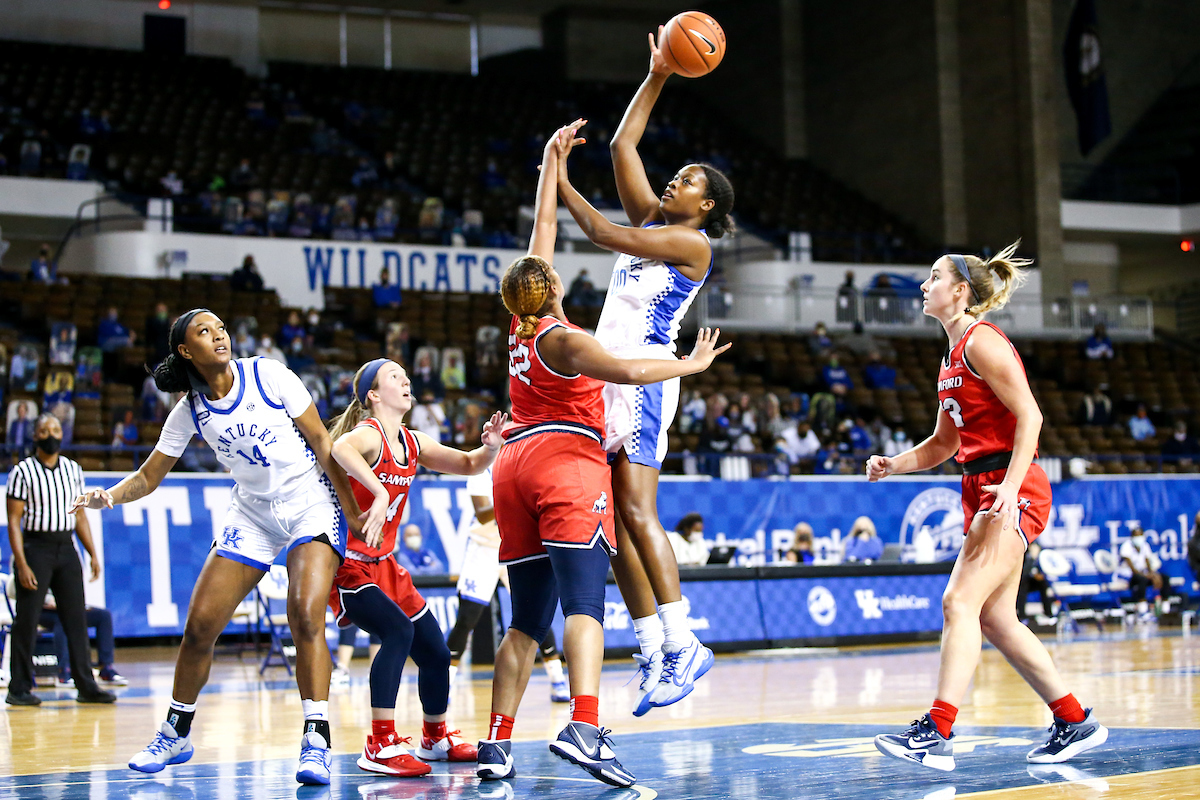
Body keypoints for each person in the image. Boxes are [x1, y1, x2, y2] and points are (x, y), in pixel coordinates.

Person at [475, 121, 728, 787]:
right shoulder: (569, 341)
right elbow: (626, 370)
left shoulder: (522, 329)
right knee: (587, 596)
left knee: (529, 619)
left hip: (514, 469)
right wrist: (689, 367)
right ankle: (594, 715)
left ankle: (497, 743)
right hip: (568, 455)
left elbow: (542, 243)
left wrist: (548, 175)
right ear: (550, 288)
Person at [71, 309, 361, 785]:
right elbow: (147, 477)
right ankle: (176, 731)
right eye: (204, 332)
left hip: (308, 502)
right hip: (252, 513)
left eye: (221, 328)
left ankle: (316, 739)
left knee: (305, 614)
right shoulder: (188, 411)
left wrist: (349, 508)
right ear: (186, 351)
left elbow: (322, 442)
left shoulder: (268, 375)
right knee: (201, 624)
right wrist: (110, 495)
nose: (219, 335)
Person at [553, 28, 736, 717]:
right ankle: (655, 646)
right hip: (609, 374)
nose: (675, 180)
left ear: (708, 206)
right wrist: (658, 72)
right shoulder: (657, 221)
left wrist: (558, 181)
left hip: (648, 377)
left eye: (689, 180)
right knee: (611, 524)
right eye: (678, 174)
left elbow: (601, 234)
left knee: (636, 511)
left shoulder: (689, 243)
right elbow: (622, 146)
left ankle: (684, 639)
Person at [867, 244, 1106, 771]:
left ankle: (937, 729)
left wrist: (1010, 487)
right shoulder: (951, 358)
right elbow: (942, 445)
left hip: (1010, 484)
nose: (924, 285)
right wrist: (894, 464)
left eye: (934, 277)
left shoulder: (983, 342)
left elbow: (1032, 417)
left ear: (960, 292)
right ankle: (1073, 720)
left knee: (958, 602)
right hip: (981, 484)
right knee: (996, 618)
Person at [326, 357, 503, 776]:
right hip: (349, 564)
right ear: (373, 394)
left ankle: (434, 737)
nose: (406, 382)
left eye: (406, 377)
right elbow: (339, 448)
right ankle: (379, 744)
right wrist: (379, 493)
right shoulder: (368, 434)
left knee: (436, 651)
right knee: (398, 632)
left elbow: (466, 464)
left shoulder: (413, 441)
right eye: (394, 378)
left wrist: (490, 447)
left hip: (385, 564)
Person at [5, 414, 116, 706]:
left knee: (76, 618)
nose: (50, 434)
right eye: (44, 430)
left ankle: (86, 685)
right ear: (35, 436)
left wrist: (91, 552)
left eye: (55, 429)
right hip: (35, 547)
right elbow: (13, 521)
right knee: (27, 620)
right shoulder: (22, 471)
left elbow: (80, 514)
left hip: (66, 548)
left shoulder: (72, 469)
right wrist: (22, 562)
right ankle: (18, 688)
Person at [445, 464, 570, 703]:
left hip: (516, 544)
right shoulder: (482, 470)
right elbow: (482, 513)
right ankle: (446, 682)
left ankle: (557, 680)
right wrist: (513, 497)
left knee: (537, 612)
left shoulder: (527, 465)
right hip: (483, 549)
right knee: (467, 617)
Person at [42, 595, 127, 686]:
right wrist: (48, 599)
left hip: (69, 606)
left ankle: (106, 669)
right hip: (41, 610)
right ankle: (64, 673)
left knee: (103, 615)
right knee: (63, 618)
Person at [1119, 526, 1178, 617]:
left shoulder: (1145, 545)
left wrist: (1153, 575)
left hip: (1143, 574)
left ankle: (1165, 608)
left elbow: (1148, 563)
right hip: (1128, 576)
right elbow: (1133, 569)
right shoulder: (1126, 547)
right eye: (1136, 536)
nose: (1139, 538)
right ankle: (1143, 611)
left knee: (1164, 577)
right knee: (1141, 579)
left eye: (1140, 535)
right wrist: (1148, 576)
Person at [1016, 541, 1054, 622]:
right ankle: (1021, 615)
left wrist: (1039, 574)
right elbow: (1023, 571)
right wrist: (1031, 558)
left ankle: (1048, 614)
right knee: (1023, 583)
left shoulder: (1037, 547)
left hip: (1033, 579)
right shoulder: (1021, 548)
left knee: (1043, 583)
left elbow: (1044, 566)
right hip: (1020, 580)